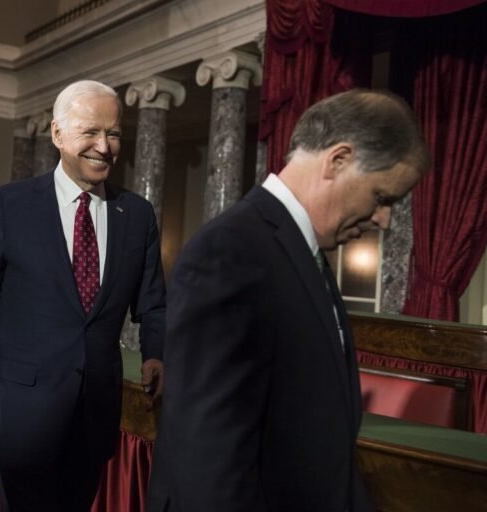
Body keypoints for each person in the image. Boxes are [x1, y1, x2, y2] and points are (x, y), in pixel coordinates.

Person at [146, 89, 431, 512]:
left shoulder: (301, 251)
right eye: (381, 197)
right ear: (338, 160)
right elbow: (207, 461)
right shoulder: (230, 251)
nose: (383, 220)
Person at [0, 79, 167, 511]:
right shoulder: (13, 205)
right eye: (90, 132)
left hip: (95, 411)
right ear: (58, 134)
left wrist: (157, 352)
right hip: (24, 412)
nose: (104, 146)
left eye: (114, 133)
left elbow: (153, 301)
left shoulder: (136, 214)